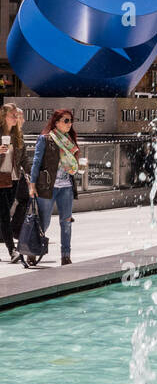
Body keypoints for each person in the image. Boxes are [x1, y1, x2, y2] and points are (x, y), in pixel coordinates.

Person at [28, 109, 80, 266]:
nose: (69, 124)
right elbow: (36, 163)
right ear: (56, 122)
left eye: (70, 120)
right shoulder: (45, 139)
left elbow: (72, 165)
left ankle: (66, 255)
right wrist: (32, 185)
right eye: (66, 120)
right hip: (47, 187)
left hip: (66, 187)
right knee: (44, 222)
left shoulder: (70, 140)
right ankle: (33, 251)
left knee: (66, 222)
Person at [0, 103, 26, 262]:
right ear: (4, 116)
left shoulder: (18, 135)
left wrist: (30, 174)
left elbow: (23, 158)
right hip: (0, 178)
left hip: (14, 179)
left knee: (3, 214)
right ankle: (12, 251)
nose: (16, 118)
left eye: (17, 115)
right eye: (13, 115)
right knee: (4, 216)